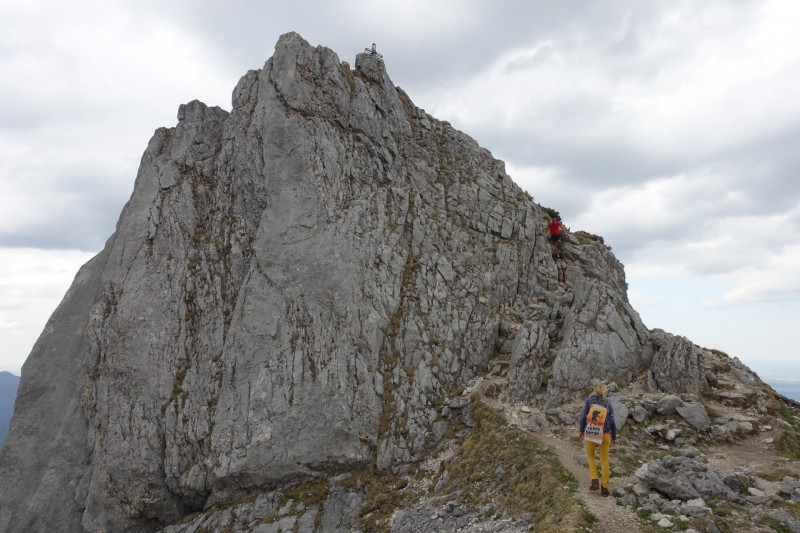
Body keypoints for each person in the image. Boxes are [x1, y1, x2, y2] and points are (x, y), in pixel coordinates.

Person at [579, 382, 617, 496]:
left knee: (591, 456)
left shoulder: (589, 401)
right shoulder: (608, 403)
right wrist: (613, 436)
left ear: (595, 391)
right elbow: (613, 422)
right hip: (604, 434)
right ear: (604, 391)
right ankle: (604, 488)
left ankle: (594, 480)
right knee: (604, 460)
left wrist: (581, 430)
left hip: (591, 432)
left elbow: (583, 417)